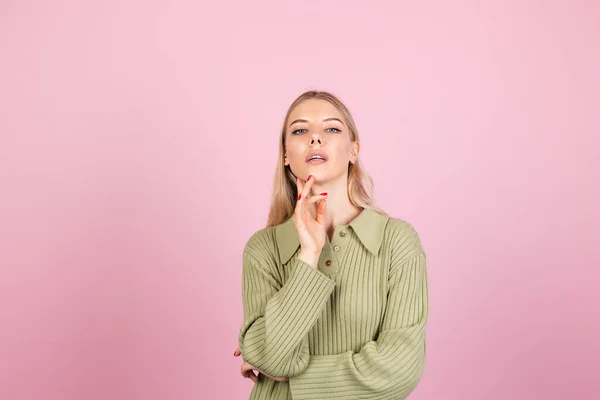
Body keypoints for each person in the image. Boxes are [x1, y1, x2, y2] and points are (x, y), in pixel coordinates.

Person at [233, 90, 429, 399]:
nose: (315, 138)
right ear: (285, 154)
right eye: (300, 130)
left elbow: (399, 370)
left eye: (331, 128)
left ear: (354, 150)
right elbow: (272, 356)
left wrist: (289, 379)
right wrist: (309, 254)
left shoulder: (397, 242)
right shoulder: (263, 249)